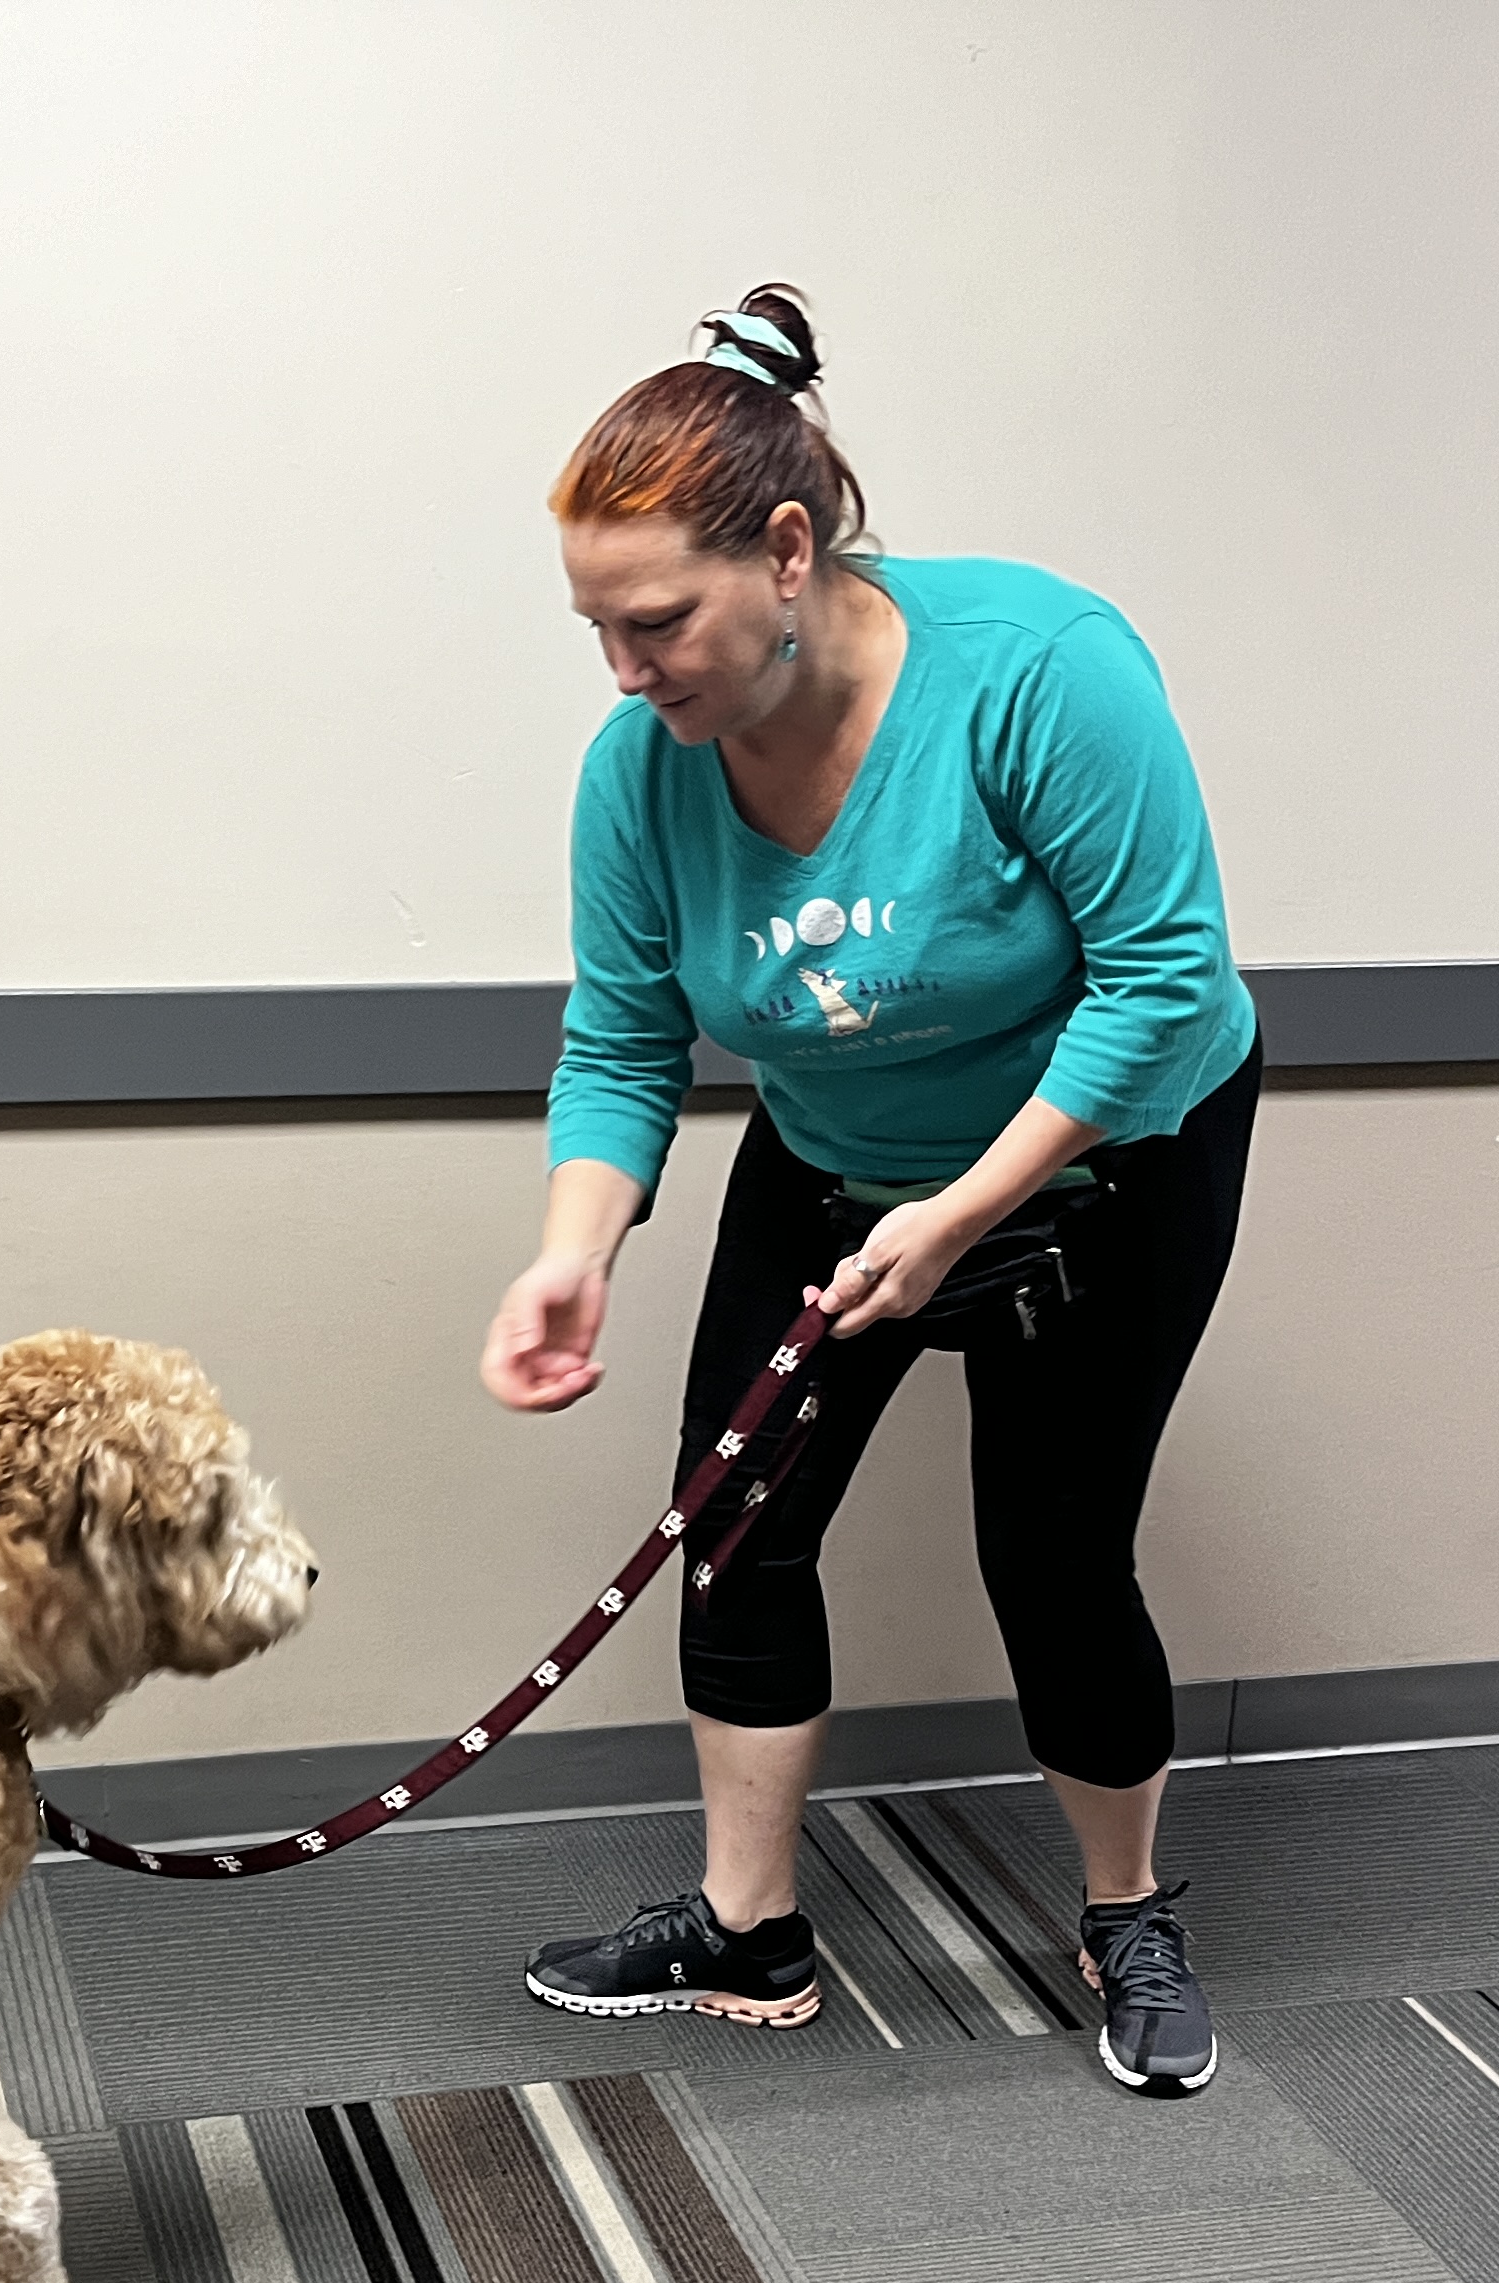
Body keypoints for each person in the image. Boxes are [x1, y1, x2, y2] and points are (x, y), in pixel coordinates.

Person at [480, 284, 1260, 2094]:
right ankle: (749, 1930)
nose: (627, 672)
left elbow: (1163, 981)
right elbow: (621, 1043)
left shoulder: (1039, 669)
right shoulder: (643, 775)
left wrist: (969, 1207)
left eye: (655, 622)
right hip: (835, 1159)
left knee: (1052, 1556)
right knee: (735, 1522)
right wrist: (573, 1252)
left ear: (785, 547)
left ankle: (1126, 1904)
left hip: (1110, 1159)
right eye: (596, 631)